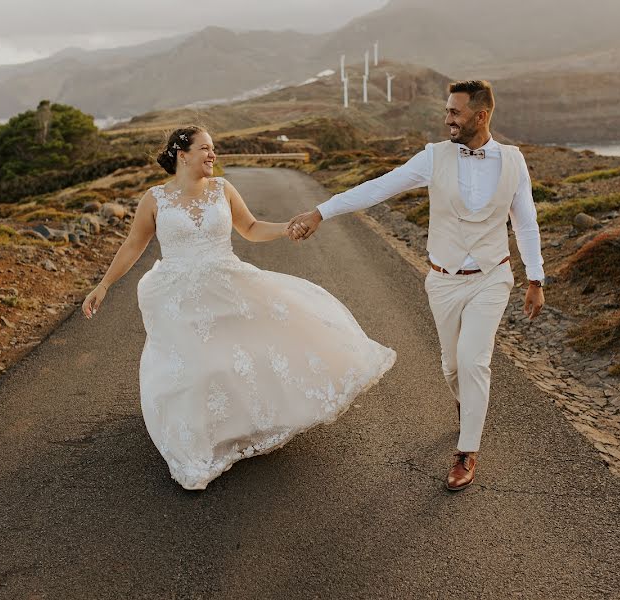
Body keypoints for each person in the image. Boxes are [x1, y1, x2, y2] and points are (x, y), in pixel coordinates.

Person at [81, 126, 396, 490]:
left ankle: (240, 423)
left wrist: (286, 228)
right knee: (196, 368)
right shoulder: (154, 199)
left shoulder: (222, 189)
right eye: (205, 149)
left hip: (226, 281)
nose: (212, 155)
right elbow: (133, 246)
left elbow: (250, 227)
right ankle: (197, 441)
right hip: (178, 295)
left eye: (214, 149)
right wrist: (104, 284)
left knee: (238, 356)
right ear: (181, 154)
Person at [288, 80, 545, 491]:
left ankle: (466, 452)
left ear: (481, 115)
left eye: (455, 112)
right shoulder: (433, 157)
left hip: (492, 277)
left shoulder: (514, 162)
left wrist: (536, 277)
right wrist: (322, 210)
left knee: (475, 360)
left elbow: (526, 221)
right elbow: (378, 188)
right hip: (443, 281)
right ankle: (465, 403)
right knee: (453, 365)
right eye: (447, 111)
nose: (447, 119)